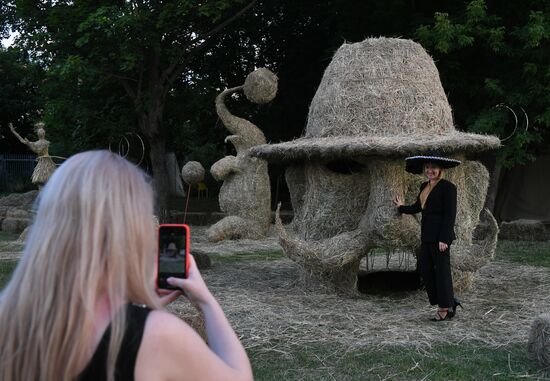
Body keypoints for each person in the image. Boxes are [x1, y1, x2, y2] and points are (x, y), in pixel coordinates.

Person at [0, 150, 253, 381]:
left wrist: (132, 307)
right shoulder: (158, 337)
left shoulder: (8, 321)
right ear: (133, 232)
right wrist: (205, 301)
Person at [393, 155, 462, 322]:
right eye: (427, 167)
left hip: (440, 237)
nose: (429, 171)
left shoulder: (448, 187)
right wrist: (401, 207)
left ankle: (444, 308)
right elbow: (418, 207)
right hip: (426, 236)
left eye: (433, 168)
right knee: (425, 269)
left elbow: (449, 215)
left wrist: (444, 239)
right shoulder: (424, 185)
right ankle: (449, 301)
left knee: (442, 272)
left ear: (440, 170)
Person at [9, 122, 57, 188]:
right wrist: (13, 131)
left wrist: (29, 144)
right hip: (42, 162)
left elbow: (38, 151)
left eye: (42, 132)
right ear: (39, 134)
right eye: (40, 132)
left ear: (44, 133)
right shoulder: (37, 143)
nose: (41, 133)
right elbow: (22, 141)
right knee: (41, 179)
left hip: (47, 163)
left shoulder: (46, 142)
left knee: (49, 178)